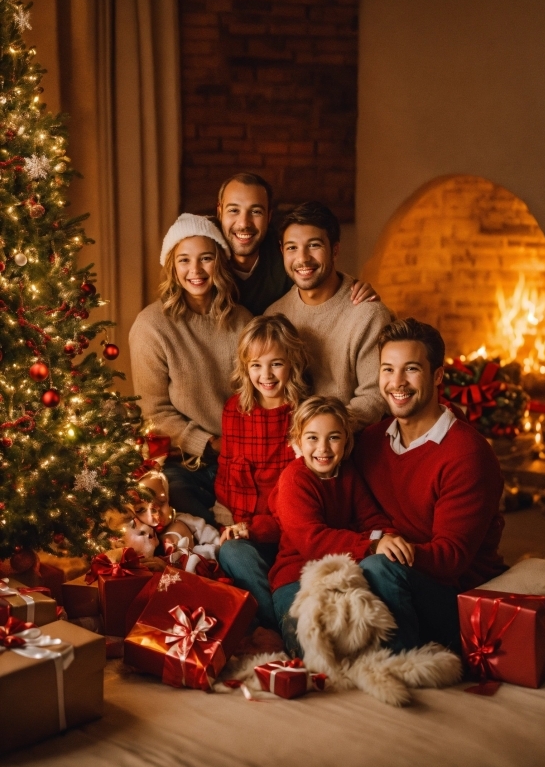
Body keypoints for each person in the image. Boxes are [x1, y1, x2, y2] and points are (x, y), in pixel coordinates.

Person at [353, 318, 507, 655]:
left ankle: (407, 663)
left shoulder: (466, 453)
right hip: (399, 578)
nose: (397, 383)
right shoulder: (370, 441)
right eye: (387, 370)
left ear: (437, 376)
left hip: (458, 600)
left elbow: (451, 559)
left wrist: (380, 547)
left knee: (377, 566)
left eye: (411, 370)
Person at [129, 213, 252, 522]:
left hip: (244, 456)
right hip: (183, 462)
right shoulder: (151, 326)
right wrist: (209, 444)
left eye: (205, 258)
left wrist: (241, 448)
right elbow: (153, 411)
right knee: (186, 509)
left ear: (219, 263)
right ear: (172, 267)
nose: (195, 270)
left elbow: (261, 393)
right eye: (184, 260)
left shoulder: (245, 322)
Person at [269, 396, 395, 655]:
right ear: (298, 441)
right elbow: (312, 540)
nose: (323, 449)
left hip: (340, 570)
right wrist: (370, 544)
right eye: (313, 438)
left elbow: (372, 520)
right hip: (295, 575)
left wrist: (388, 537)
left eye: (333, 437)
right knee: (309, 637)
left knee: (355, 632)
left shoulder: (347, 474)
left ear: (346, 441)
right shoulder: (294, 478)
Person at [215, 313, 311, 630]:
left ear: (293, 363)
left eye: (276, 364)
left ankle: (278, 627)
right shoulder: (234, 410)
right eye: (256, 365)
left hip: (289, 536)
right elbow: (227, 476)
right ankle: (277, 626)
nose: (266, 375)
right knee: (232, 553)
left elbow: (302, 499)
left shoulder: (305, 415)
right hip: (244, 534)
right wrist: (232, 526)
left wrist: (253, 528)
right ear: (245, 367)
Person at [265, 201, 393, 431]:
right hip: (283, 443)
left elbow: (374, 397)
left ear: (335, 250)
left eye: (313, 245)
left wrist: (319, 433)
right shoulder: (274, 315)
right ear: (282, 250)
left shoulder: (367, 313)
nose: (303, 259)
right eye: (292, 247)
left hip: (347, 443)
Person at [216, 173, 378, 314]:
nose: (244, 223)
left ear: (269, 216)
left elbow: (319, 271)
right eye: (233, 210)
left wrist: (354, 288)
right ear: (220, 211)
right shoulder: (204, 247)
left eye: (256, 212)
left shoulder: (285, 252)